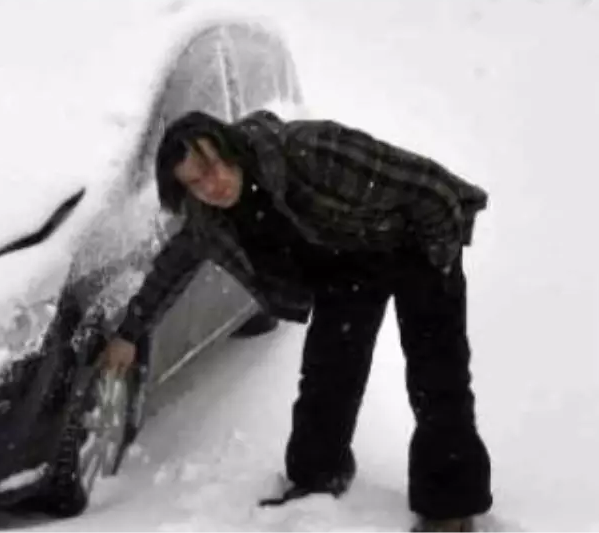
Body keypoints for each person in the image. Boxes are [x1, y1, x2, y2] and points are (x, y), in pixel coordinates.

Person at [100, 109, 493, 533]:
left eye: (212, 166)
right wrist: (129, 333)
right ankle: (317, 477)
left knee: (436, 376)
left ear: (231, 148)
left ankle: (450, 507)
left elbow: (431, 189)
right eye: (194, 182)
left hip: (415, 244)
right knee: (327, 377)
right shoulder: (210, 218)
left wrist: (435, 263)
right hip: (347, 266)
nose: (211, 186)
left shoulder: (309, 151)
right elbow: (171, 270)